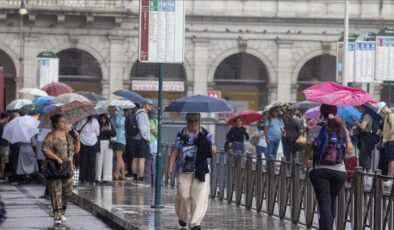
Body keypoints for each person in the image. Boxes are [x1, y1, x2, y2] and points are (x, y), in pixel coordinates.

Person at [304, 104, 352, 230]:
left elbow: (308, 148)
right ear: (335, 112)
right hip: (340, 172)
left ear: (322, 113)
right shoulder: (342, 128)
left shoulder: (315, 128)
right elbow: (350, 151)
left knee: (324, 202)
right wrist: (343, 128)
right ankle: (325, 227)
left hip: (320, 170)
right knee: (330, 200)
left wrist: (306, 159)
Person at [167, 113, 216, 230]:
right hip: (183, 169)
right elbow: (175, 150)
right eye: (190, 121)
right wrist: (169, 168)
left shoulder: (206, 133)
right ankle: (183, 217)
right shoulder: (181, 133)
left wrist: (213, 149)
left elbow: (213, 149)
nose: (193, 123)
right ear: (187, 121)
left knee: (198, 197)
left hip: (201, 169)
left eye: (195, 121)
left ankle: (195, 223)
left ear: (199, 121)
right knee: (184, 195)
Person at [42, 114, 80, 225]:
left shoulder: (69, 136)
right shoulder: (51, 136)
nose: (65, 124)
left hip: (67, 167)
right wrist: (57, 158)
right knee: (56, 192)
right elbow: (45, 149)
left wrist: (77, 138)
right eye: (62, 122)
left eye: (65, 121)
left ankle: (62, 211)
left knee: (67, 191)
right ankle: (57, 215)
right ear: (56, 124)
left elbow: (76, 151)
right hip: (55, 168)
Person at [132, 98, 152, 185]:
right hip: (141, 139)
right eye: (149, 104)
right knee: (141, 159)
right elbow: (142, 127)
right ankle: (140, 179)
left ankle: (135, 178)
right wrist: (147, 138)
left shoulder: (137, 113)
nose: (150, 106)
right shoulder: (143, 114)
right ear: (144, 104)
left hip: (134, 139)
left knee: (135, 158)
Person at [75, 115, 100, 186]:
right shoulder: (95, 121)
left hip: (83, 141)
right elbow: (98, 133)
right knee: (92, 161)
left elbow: (77, 128)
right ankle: (91, 179)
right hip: (93, 142)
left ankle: (83, 178)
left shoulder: (82, 120)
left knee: (83, 161)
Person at [353, 104, 374, 172]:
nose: (358, 108)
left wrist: (357, 123)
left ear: (363, 107)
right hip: (363, 136)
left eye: (359, 107)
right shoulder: (363, 115)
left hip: (367, 137)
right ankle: (364, 172)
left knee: (366, 155)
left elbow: (363, 126)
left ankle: (368, 173)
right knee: (362, 155)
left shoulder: (366, 115)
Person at [96, 114, 115, 184]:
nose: (103, 120)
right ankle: (97, 178)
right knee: (99, 161)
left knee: (108, 161)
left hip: (108, 144)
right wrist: (101, 130)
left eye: (104, 119)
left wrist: (109, 130)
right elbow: (96, 134)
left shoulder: (110, 124)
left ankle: (106, 178)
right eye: (101, 119)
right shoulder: (97, 125)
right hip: (99, 143)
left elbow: (114, 134)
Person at [109, 106, 126, 180]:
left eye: (116, 110)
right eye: (113, 110)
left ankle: (116, 174)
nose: (114, 112)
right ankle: (123, 174)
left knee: (119, 157)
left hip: (120, 139)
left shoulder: (122, 118)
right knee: (120, 158)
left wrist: (116, 116)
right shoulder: (111, 118)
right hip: (114, 139)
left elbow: (118, 124)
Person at [379, 102, 394, 178]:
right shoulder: (387, 116)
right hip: (388, 140)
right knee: (389, 159)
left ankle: (390, 176)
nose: (381, 112)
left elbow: (393, 129)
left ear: (384, 108)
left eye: (381, 110)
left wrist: (386, 138)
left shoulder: (391, 115)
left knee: (391, 159)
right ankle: (389, 176)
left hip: (390, 140)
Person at [0, 113, 9, 179]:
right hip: (4, 145)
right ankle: (2, 175)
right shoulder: (5, 126)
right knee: (3, 161)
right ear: (5, 117)